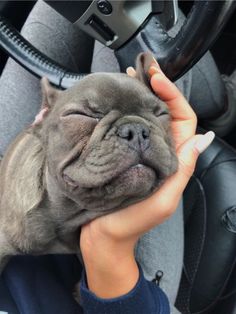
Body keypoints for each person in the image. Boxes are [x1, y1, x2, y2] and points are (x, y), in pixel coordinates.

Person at [0, 1, 233, 313]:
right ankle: (224, 109)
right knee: (154, 51)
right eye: (85, 116)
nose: (134, 134)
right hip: (118, 279)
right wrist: (108, 247)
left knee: (103, 14)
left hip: (35, 167)